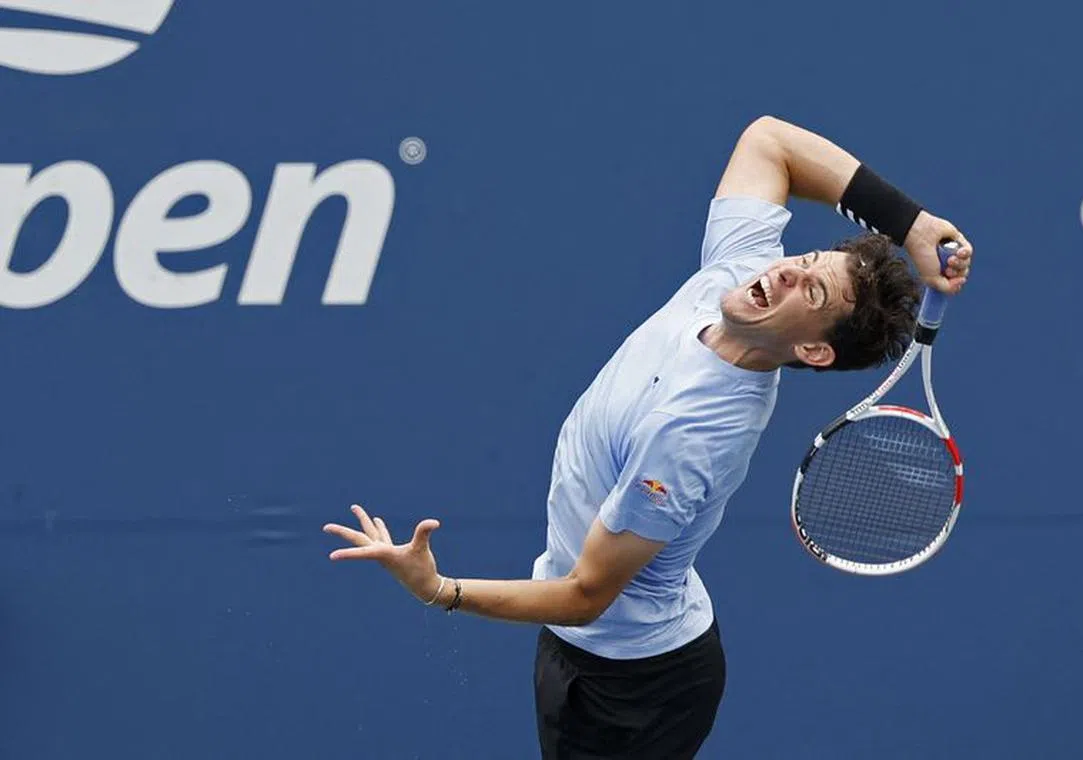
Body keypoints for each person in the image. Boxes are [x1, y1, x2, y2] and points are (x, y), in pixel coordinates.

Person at [322, 115, 974, 759]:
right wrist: (911, 225)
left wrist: (440, 591)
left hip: (633, 691)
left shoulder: (693, 436)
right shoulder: (739, 275)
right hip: (578, 645)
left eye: (810, 286)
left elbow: (586, 596)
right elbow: (769, 141)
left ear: (812, 348)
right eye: (802, 259)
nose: (782, 272)